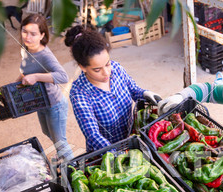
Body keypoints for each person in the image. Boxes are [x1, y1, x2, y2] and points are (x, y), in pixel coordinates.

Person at [64, 25, 162, 152]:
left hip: (131, 139)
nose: (106, 73)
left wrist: (145, 93)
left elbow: (133, 90)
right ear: (82, 67)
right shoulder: (79, 93)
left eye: (107, 64)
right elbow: (93, 135)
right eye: (97, 69)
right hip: (105, 153)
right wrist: (117, 154)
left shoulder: (116, 68)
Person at [18, 14, 74, 160]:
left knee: (61, 142)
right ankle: (61, 153)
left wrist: (36, 77)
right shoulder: (27, 49)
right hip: (41, 103)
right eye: (24, 31)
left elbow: (63, 77)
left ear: (42, 35)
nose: (27, 37)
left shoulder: (45, 55)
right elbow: (25, 71)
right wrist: (14, 84)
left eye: (33, 34)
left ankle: (74, 170)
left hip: (55, 105)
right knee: (47, 132)